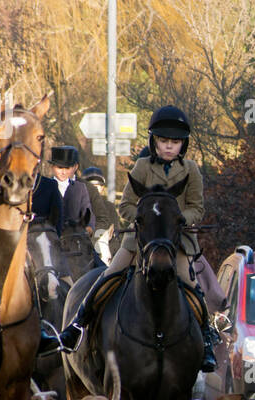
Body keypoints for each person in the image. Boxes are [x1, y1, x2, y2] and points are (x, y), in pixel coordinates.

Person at [55, 105, 221, 371]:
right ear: (154, 141)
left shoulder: (191, 170)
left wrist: (175, 220)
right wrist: (145, 219)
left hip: (175, 243)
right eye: (164, 141)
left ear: (183, 144)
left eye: (175, 142)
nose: (169, 147)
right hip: (140, 241)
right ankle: (77, 325)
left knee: (192, 287)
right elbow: (126, 206)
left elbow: (196, 208)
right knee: (108, 276)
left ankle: (207, 342)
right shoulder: (142, 166)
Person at [31, 145, 94, 237]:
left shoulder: (80, 188)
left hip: (73, 236)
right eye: (60, 168)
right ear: (52, 167)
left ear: (73, 168)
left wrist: (89, 227)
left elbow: (87, 210)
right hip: (48, 234)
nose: (63, 172)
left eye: (67, 168)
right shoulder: (44, 186)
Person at [81, 166, 118, 262]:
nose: (93, 191)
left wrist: (112, 252)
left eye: (96, 187)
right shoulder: (78, 205)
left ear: (102, 188)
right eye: (90, 187)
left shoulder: (109, 207)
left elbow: (116, 234)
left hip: (104, 251)